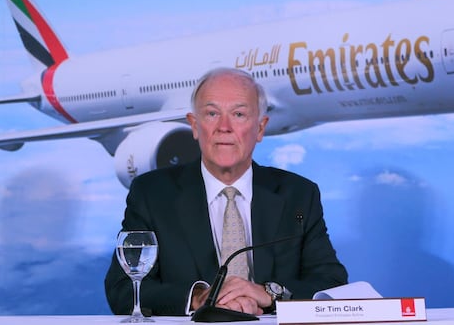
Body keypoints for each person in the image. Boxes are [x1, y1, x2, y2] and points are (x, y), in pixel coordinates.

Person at [104, 67, 348, 316]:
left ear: (261, 128)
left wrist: (269, 293)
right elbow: (122, 289)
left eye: (239, 114)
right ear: (195, 126)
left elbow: (332, 283)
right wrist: (198, 298)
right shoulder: (152, 194)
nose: (224, 127)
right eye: (212, 114)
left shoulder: (298, 194)